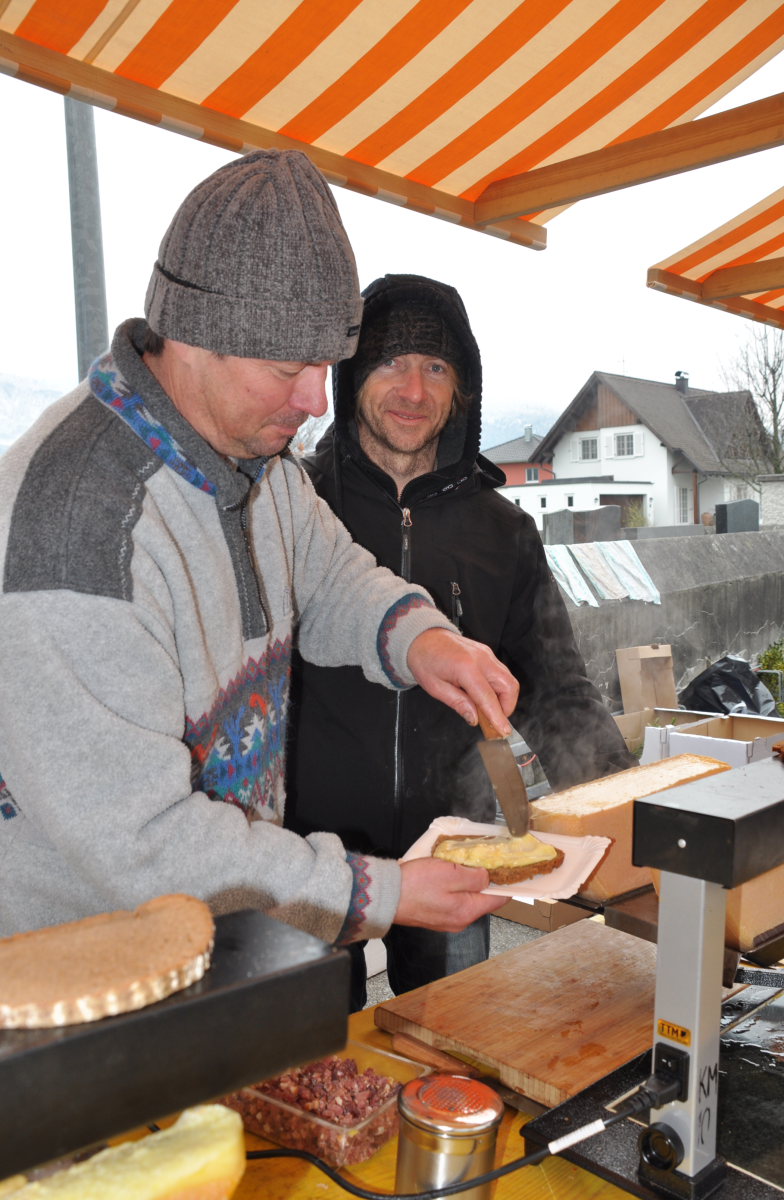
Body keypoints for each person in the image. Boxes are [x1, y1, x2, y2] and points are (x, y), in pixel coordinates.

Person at [0, 153, 519, 945]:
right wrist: (371, 892)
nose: (316, 401)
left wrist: (421, 639)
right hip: (85, 974)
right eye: (288, 368)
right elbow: (141, 841)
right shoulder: (77, 536)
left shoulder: (254, 455)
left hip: (224, 936)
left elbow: (327, 571)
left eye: (325, 365)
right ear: (192, 338)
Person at [286, 273, 635, 1008]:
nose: (413, 389)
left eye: (436, 367)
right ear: (351, 376)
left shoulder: (505, 531)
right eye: (390, 361)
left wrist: (624, 816)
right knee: (314, 1053)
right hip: (311, 852)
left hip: (457, 847)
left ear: (462, 391)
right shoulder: (293, 506)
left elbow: (558, 693)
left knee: (454, 1039)